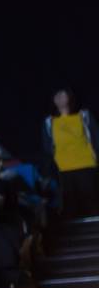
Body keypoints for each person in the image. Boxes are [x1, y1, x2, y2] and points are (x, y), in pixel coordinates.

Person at [46, 88, 98, 219]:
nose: (59, 97)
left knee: (90, 204)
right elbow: (47, 146)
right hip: (64, 169)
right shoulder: (49, 122)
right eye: (57, 95)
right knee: (70, 208)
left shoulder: (83, 116)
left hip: (85, 164)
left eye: (63, 95)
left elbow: (95, 137)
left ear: (70, 99)